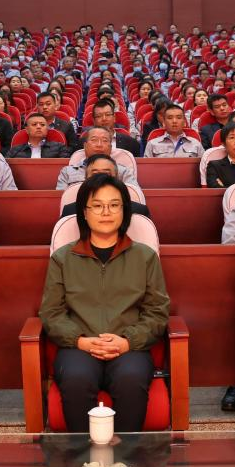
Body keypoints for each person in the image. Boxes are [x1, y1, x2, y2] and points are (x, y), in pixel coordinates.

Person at [39, 174, 169, 435]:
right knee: (76, 379)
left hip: (129, 346)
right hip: (78, 346)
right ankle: (82, 456)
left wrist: (127, 341)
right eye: (97, 205)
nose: (106, 212)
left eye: (114, 205)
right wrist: (80, 341)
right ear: (84, 212)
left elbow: (157, 311)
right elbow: (51, 312)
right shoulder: (63, 258)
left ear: (125, 211)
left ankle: (126, 456)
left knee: (131, 379)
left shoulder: (144, 257)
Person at [60, 156, 152, 220]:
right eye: (95, 174)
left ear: (117, 178)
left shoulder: (139, 211)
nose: (101, 178)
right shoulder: (70, 211)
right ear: (85, 179)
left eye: (106, 174)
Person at [56, 127, 137, 188]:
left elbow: (134, 198)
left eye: (104, 140)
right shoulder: (67, 172)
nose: (99, 145)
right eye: (94, 140)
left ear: (110, 147)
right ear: (85, 146)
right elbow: (62, 201)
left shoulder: (124, 172)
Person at [5, 111, 70, 159]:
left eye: (42, 125)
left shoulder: (59, 148)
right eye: (34, 124)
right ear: (27, 130)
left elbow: (65, 169)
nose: (39, 127)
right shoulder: (15, 151)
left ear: (47, 129)